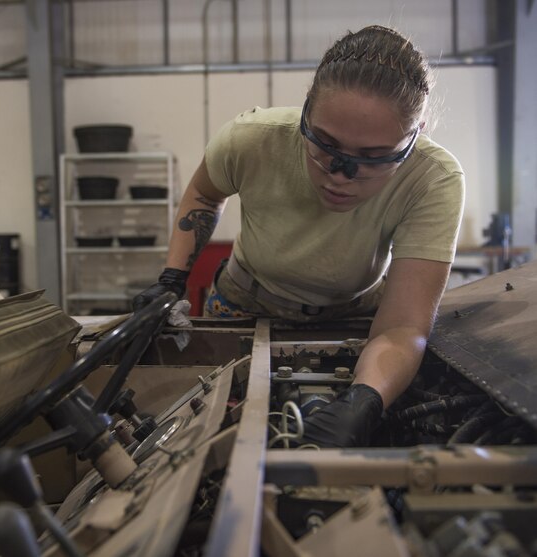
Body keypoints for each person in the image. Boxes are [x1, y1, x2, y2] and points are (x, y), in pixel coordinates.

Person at [132, 25, 465, 448]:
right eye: (325, 144)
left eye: (374, 158)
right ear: (307, 108)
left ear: (414, 136)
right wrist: (171, 279)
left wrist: (364, 399)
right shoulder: (252, 139)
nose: (340, 175)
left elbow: (402, 325)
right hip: (241, 305)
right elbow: (204, 192)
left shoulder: (433, 180)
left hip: (352, 317)